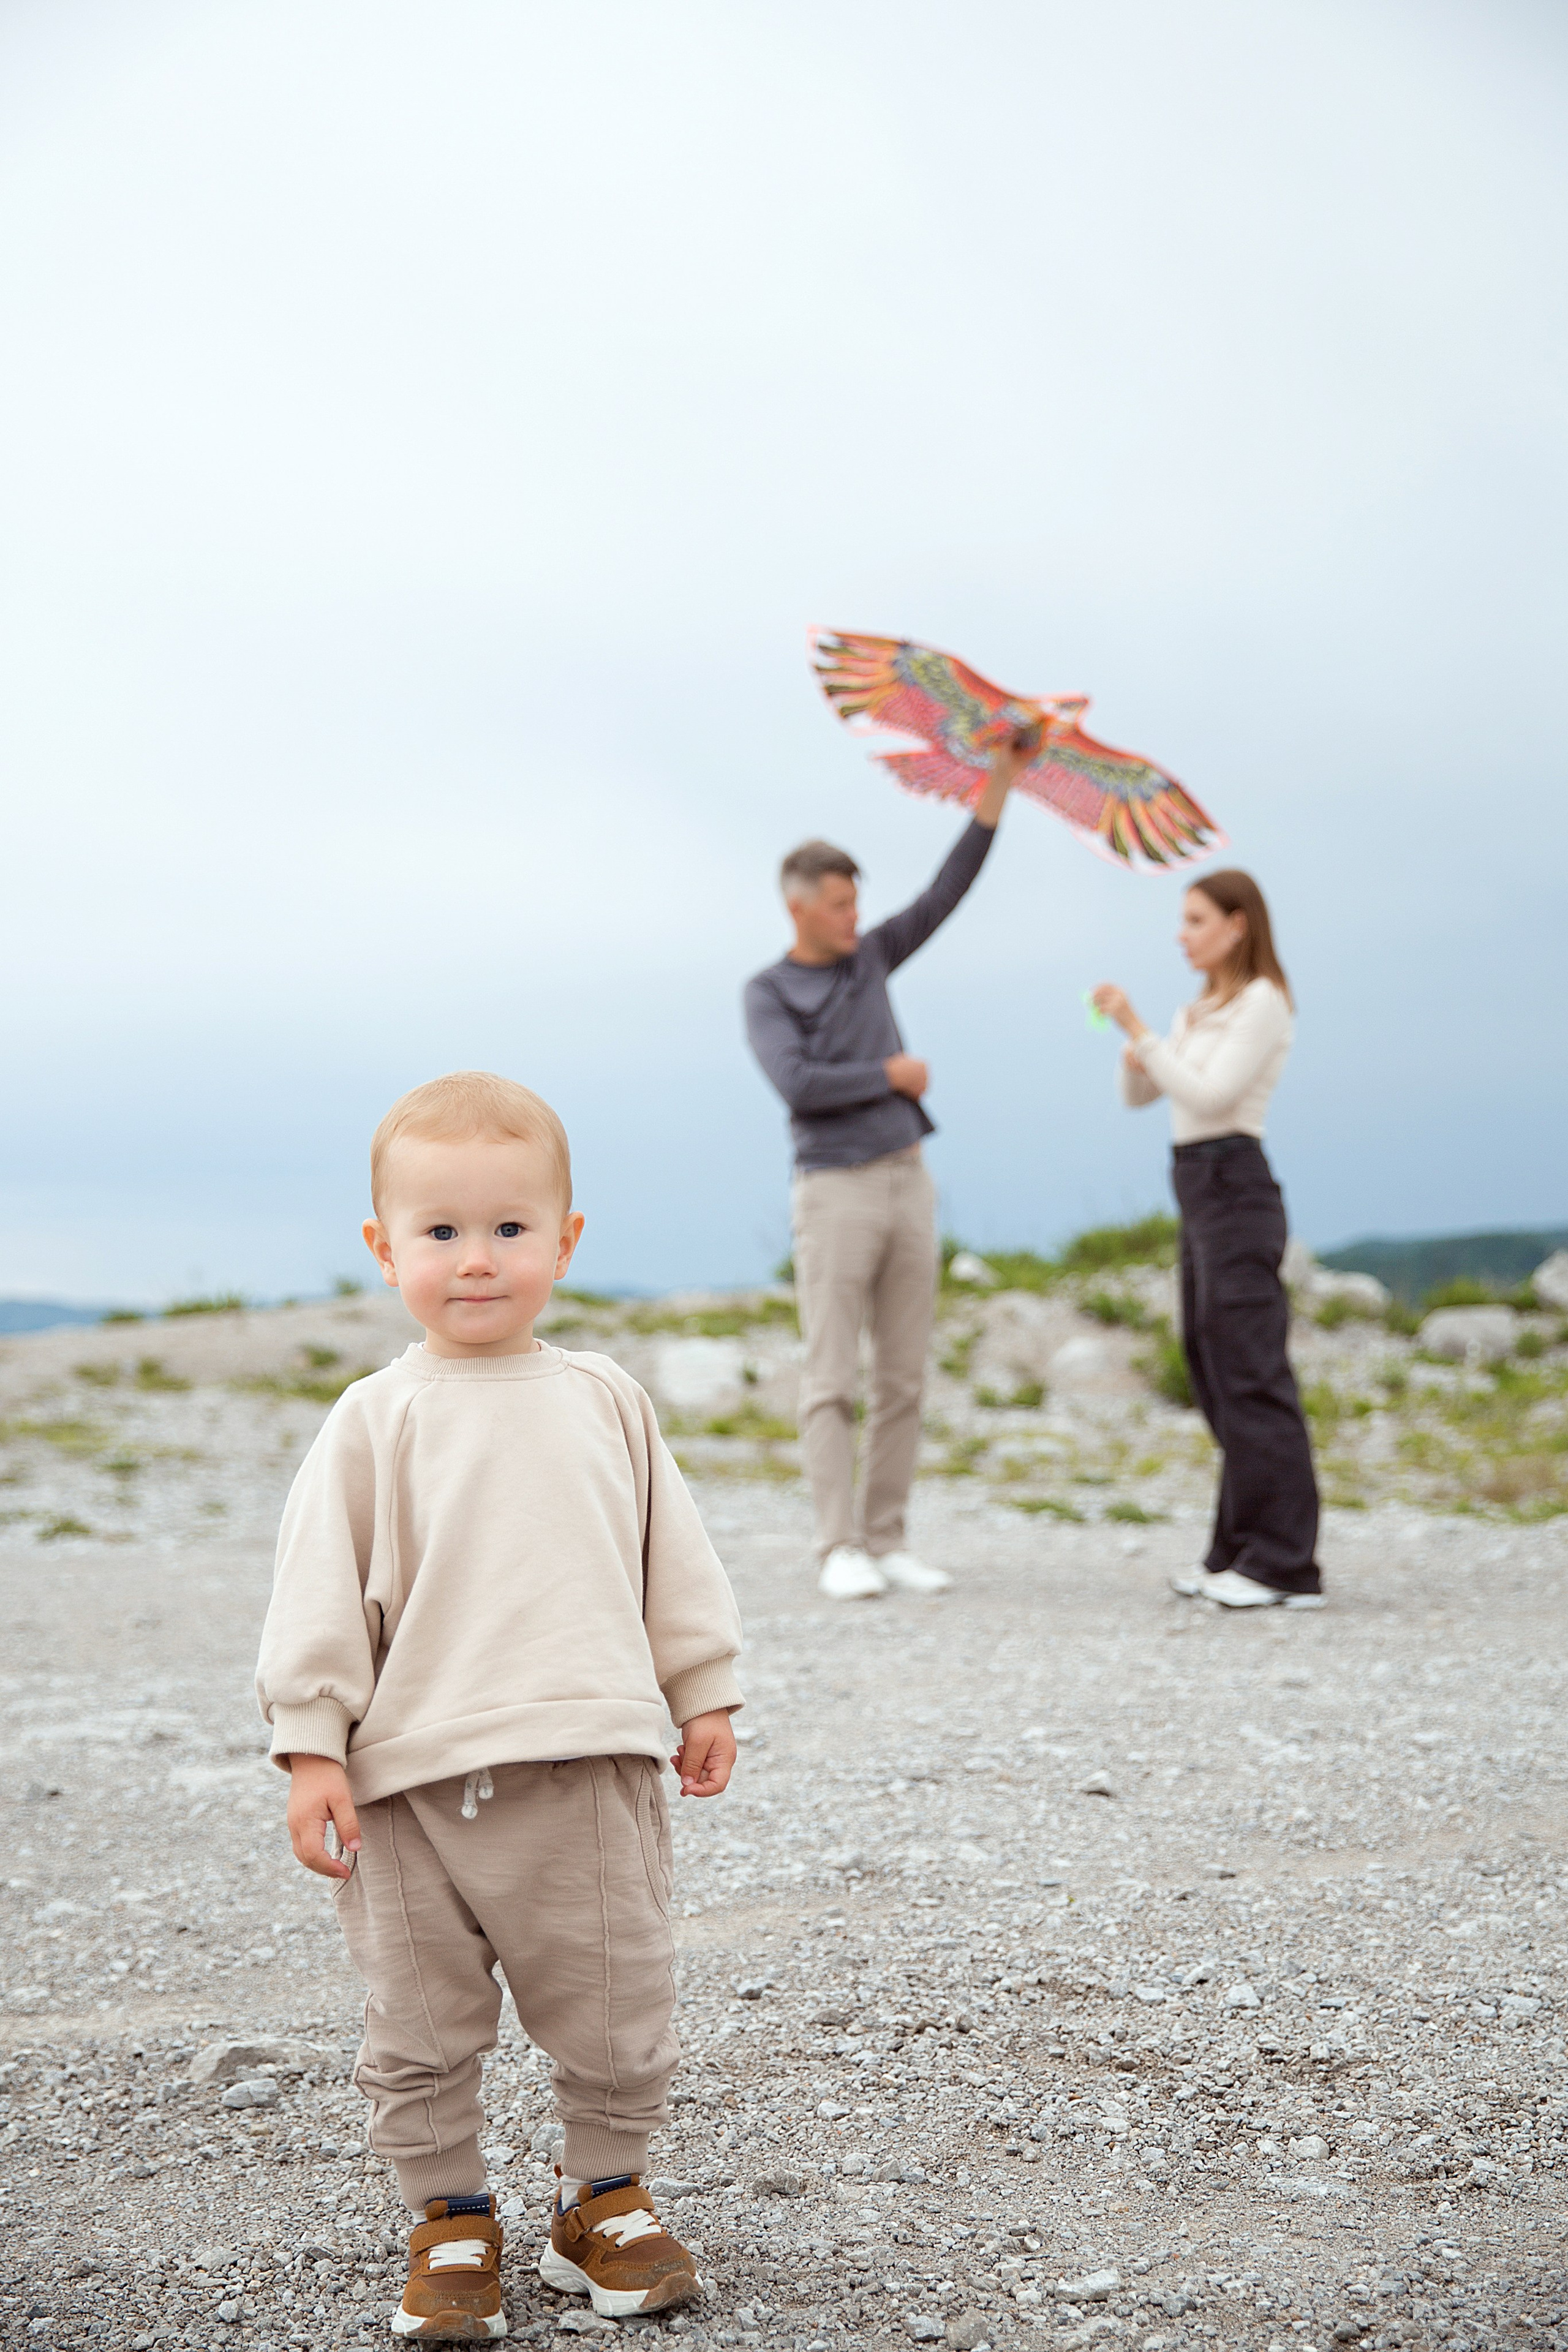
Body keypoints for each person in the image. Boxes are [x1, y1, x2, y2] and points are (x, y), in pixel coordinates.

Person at [255, 1071, 744, 2337]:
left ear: (565, 1242)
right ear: (384, 1250)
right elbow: (317, 1595)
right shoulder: (372, 1419)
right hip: (409, 1790)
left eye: (509, 1228)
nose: (476, 1260)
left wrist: (701, 1691)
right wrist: (312, 1748)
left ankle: (604, 2200)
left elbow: (672, 1558)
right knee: (418, 2023)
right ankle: (450, 2215)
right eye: (440, 1231)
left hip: (588, 1767)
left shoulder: (605, 1399)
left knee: (614, 2001)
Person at [744, 739, 1031, 1600]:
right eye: (839, 905)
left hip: (910, 1179)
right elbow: (796, 1084)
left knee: (904, 1373)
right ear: (798, 908)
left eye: (857, 902)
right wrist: (890, 1075)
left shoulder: (872, 957)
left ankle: (887, 1537)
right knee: (832, 1374)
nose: (854, 917)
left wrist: (1002, 778)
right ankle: (838, 1546)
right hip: (834, 1189)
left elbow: (948, 889)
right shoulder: (768, 992)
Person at [1093, 871, 1324, 1611]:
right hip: (1197, 1189)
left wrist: (1139, 1032)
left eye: (1195, 920)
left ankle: (1287, 1564)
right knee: (1213, 1365)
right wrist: (1136, 1054)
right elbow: (1141, 1098)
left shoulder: (1263, 1001)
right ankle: (1236, 1550)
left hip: (1235, 1184)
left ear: (1236, 925)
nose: (1182, 935)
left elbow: (1213, 1097)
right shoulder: (1196, 1011)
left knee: (1252, 1371)